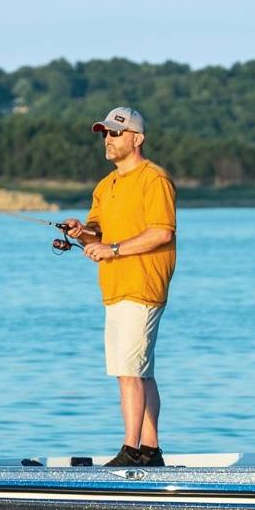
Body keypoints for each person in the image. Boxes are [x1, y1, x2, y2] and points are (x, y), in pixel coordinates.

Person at [60, 107, 177, 467]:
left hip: (141, 284)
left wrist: (112, 249)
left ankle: (132, 451)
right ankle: (150, 449)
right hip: (114, 288)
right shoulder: (105, 186)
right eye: (104, 134)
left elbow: (162, 232)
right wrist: (81, 234)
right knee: (140, 371)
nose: (108, 140)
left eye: (115, 133)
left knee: (129, 372)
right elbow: (97, 234)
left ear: (137, 139)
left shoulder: (153, 179)